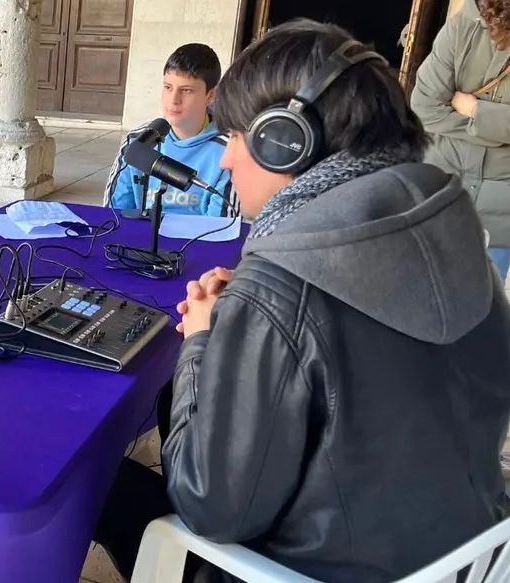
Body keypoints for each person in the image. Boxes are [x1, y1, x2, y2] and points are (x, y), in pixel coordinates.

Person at [93, 20, 510, 582]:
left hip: (304, 570)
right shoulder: (456, 235)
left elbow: (208, 507)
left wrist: (201, 340)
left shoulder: (281, 286)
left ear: (286, 139)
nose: (225, 160)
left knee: (100, 482)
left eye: (237, 137)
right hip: (454, 558)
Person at [411, 0, 510, 282]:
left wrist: (476, 111)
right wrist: (495, 129)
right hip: (441, 187)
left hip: (500, 208)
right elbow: (424, 106)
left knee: (482, 299)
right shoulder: (463, 25)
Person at [105, 43, 237, 217]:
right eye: (168, 87)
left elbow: (220, 231)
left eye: (187, 91)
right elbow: (112, 216)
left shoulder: (230, 151)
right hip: (139, 240)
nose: (174, 100)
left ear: (211, 96)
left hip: (196, 242)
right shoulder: (140, 140)